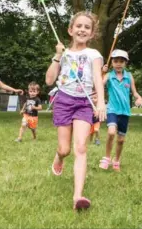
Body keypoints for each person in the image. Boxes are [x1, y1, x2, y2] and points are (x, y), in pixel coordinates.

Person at [45, 11, 106, 211]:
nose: (82, 29)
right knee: (65, 149)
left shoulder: (94, 55)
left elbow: (98, 78)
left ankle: (77, 197)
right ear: (70, 30)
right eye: (78, 26)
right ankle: (59, 157)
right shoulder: (64, 54)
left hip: (84, 103)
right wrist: (57, 55)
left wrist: (101, 102)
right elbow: (48, 80)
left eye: (87, 27)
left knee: (81, 148)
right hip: (63, 101)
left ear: (92, 33)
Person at [99, 49, 142, 171]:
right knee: (111, 132)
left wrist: (138, 98)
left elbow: (134, 92)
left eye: (121, 61)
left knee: (121, 139)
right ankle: (107, 158)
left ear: (126, 63)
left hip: (125, 111)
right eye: (116, 61)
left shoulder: (129, 76)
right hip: (112, 109)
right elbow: (99, 85)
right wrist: (101, 72)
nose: (118, 64)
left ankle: (116, 160)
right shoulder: (109, 76)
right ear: (112, 62)